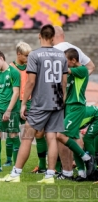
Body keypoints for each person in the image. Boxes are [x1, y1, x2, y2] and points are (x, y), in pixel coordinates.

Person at [0, 24, 68, 183]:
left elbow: (30, 82)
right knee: (51, 136)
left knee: (27, 136)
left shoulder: (35, 55)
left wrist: (23, 104)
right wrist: (62, 101)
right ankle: (50, 175)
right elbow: (64, 83)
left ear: (39, 36)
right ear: (53, 37)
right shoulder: (61, 55)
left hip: (40, 101)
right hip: (57, 100)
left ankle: (15, 174)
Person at [56, 48, 92, 181]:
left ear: (74, 60)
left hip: (77, 107)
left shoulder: (82, 70)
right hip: (70, 107)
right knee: (75, 139)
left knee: (60, 135)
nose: (65, 64)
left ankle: (86, 157)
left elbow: (66, 70)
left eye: (66, 61)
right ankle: (81, 173)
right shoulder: (71, 73)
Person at [0, 50, 20, 172]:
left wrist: (8, 110)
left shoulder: (14, 72)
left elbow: (16, 92)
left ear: (1, 58)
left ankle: (17, 167)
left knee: (13, 135)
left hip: (11, 110)